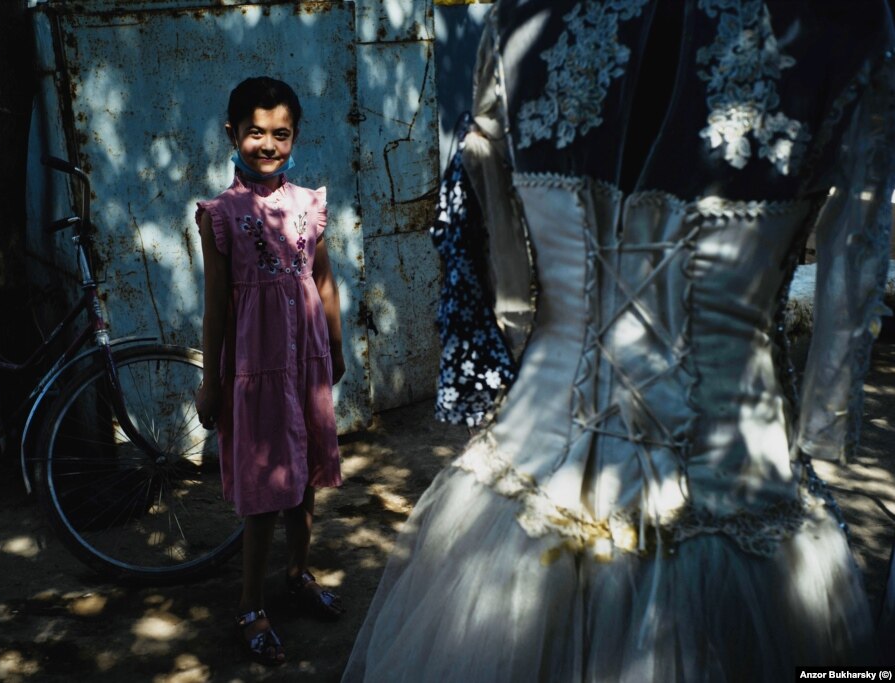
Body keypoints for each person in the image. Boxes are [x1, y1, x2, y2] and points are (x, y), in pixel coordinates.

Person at [344, 1, 895, 680]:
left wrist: (522, 338)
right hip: (719, 493)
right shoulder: (843, 25)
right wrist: (826, 419)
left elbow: (509, 283)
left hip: (540, 473)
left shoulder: (517, 19)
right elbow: (855, 255)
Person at [194, 76, 346, 666]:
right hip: (254, 370)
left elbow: (324, 281)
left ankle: (298, 573)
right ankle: (250, 605)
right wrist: (212, 380)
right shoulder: (221, 215)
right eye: (255, 132)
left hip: (304, 365)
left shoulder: (310, 204)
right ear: (232, 133)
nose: (268, 144)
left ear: (295, 136)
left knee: (304, 481)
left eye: (280, 134)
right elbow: (215, 306)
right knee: (263, 495)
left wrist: (335, 348)